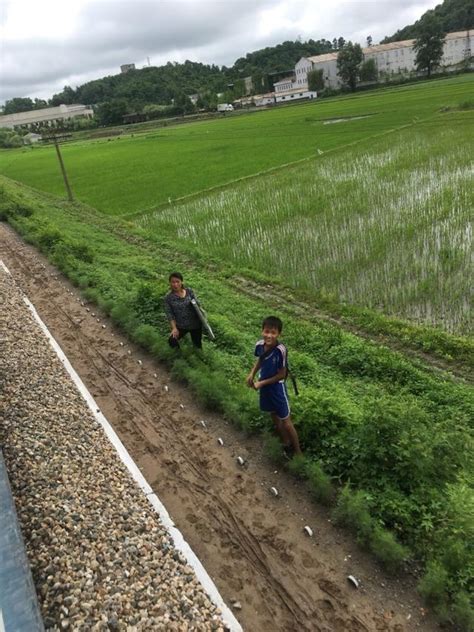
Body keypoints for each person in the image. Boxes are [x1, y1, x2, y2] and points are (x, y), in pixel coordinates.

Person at [246, 316, 302, 457]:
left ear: (278, 334)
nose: (269, 335)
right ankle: (285, 442)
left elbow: (282, 375)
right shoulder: (259, 345)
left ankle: (299, 453)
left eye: (273, 333)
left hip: (277, 388)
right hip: (264, 386)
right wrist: (252, 374)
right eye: (266, 331)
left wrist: (261, 383)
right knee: (273, 415)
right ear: (262, 331)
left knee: (286, 421)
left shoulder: (281, 350)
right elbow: (260, 359)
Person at [164, 272, 202, 349]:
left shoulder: (189, 291)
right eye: (173, 282)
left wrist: (196, 303)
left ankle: (197, 359)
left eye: (177, 281)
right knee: (172, 340)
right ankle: (179, 356)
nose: (175, 284)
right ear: (170, 283)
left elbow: (198, 305)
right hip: (181, 326)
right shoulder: (168, 298)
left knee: (197, 346)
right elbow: (170, 315)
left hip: (195, 325)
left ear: (181, 282)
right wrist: (174, 328)